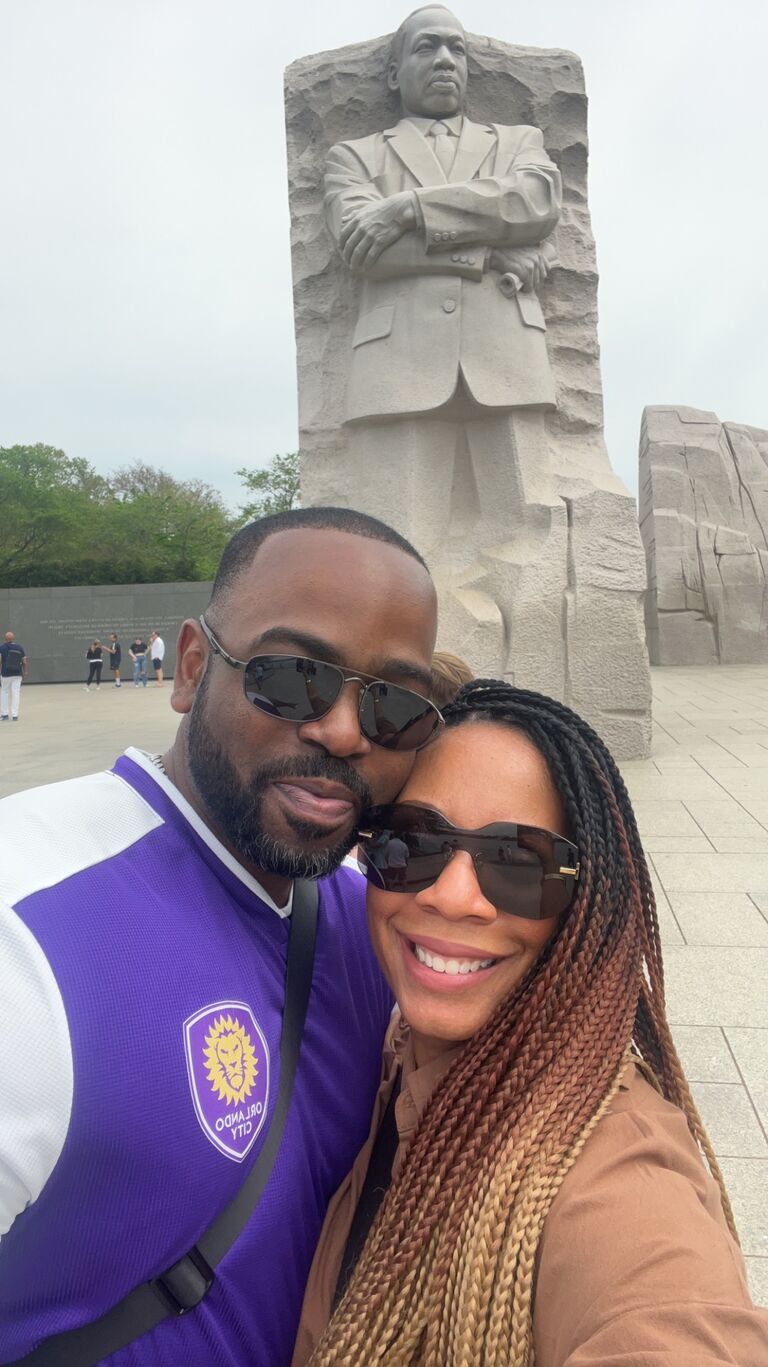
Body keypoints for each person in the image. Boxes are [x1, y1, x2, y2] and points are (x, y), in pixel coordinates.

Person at [0, 507, 440, 1366]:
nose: (343, 730)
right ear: (192, 666)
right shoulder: (28, 926)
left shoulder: (371, 921)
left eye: (391, 704)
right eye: (292, 676)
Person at [294, 681, 768, 1365]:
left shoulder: (619, 1172)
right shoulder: (405, 1053)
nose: (452, 895)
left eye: (519, 863)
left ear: (585, 902)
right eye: (412, 842)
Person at [324, 5, 561, 569]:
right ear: (393, 72)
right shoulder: (355, 156)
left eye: (457, 49)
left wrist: (408, 206)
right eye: (427, 48)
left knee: (527, 532)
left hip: (506, 356)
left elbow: (535, 202)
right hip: (397, 365)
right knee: (393, 540)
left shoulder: (518, 142)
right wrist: (490, 249)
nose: (445, 60)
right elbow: (365, 247)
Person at [0, 631, 28, 722]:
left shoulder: (2, 647)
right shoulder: (19, 647)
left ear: (5, 639)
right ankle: (15, 715)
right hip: (17, 674)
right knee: (16, 694)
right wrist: (25, 672)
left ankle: (4, 715)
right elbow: (24, 661)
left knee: (4, 692)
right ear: (13, 638)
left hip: (5, 674)